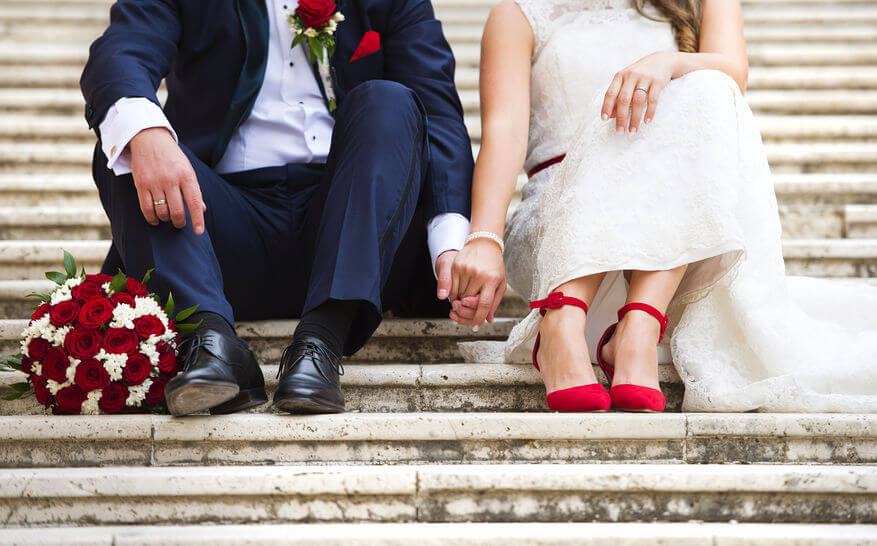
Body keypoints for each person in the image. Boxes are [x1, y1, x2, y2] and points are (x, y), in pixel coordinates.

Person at [449, 0, 877, 413]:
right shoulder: (519, 14)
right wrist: (484, 238)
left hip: (665, 264)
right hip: (555, 239)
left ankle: (638, 326)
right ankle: (561, 319)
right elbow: (503, 134)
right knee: (634, 130)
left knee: (708, 84)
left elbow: (734, 75)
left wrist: (668, 63)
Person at [81, 0, 473, 416]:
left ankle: (320, 344)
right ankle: (212, 343)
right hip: (219, 230)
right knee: (129, 138)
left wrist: (450, 242)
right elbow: (122, 52)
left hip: (351, 225)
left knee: (390, 101)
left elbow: (438, 111)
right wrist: (146, 132)